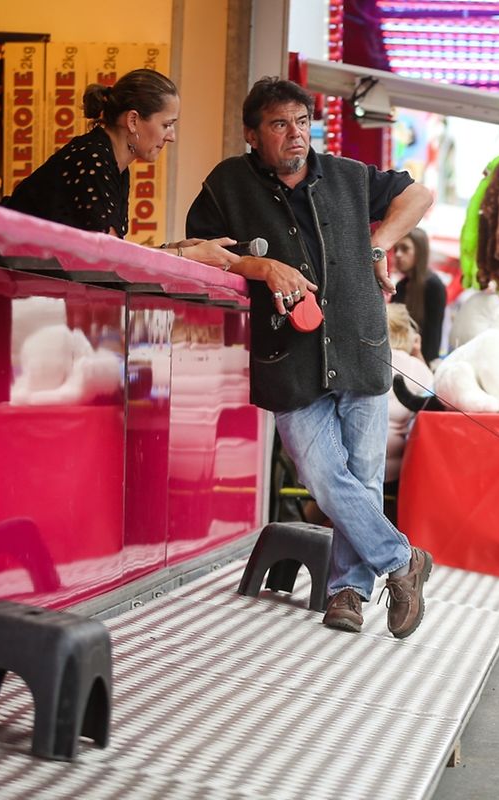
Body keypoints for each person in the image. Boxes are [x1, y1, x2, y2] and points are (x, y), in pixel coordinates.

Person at [185, 77, 435, 637]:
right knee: (323, 474)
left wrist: (378, 243)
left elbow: (419, 194)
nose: (295, 134)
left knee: (364, 475)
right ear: (253, 135)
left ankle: (347, 591)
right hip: (287, 354)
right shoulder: (228, 185)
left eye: (301, 121)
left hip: (360, 343)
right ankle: (402, 560)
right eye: (279, 124)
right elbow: (196, 249)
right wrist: (262, 267)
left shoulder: (348, 175)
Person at [3, 69, 236, 268]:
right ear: (133, 120)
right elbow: (111, 256)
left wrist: (172, 248)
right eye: (166, 125)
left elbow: (111, 251)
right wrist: (188, 255)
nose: (172, 137)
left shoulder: (113, 164)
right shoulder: (92, 158)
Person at [383, 304, 433, 525]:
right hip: (398, 472)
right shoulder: (417, 368)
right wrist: (418, 354)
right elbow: (431, 397)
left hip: (353, 465)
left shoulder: (368, 361)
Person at [391, 227, 447, 365]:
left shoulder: (434, 285)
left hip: (421, 362)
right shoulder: (400, 286)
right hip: (399, 358)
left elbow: (434, 332)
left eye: (404, 249)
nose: (398, 254)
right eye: (396, 249)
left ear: (420, 251)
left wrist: (425, 365)